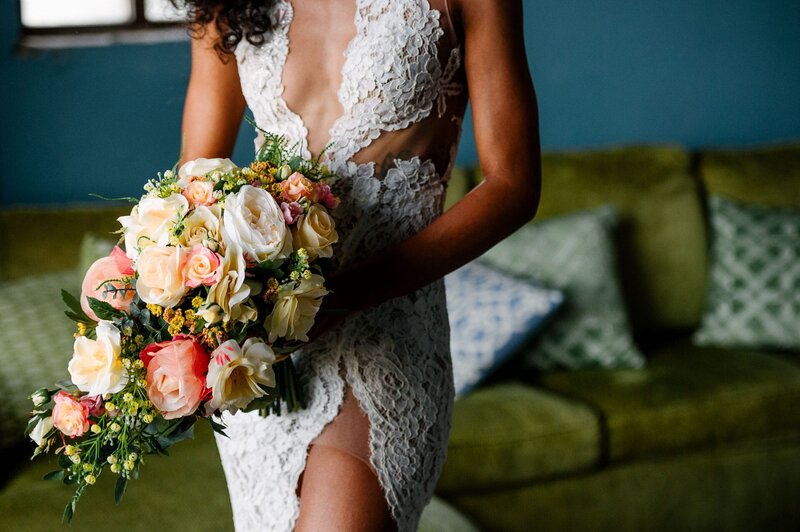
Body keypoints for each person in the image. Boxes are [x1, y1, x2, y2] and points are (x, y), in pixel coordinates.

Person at [178, 0, 541, 530]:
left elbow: (513, 187)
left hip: (384, 340)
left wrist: (341, 298)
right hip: (265, 356)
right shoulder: (227, 1)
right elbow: (196, 177)